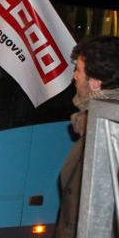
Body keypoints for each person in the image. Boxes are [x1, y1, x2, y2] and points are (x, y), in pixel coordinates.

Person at [55, 36, 119, 238]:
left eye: (78, 70)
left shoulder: (110, 136)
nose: (74, 76)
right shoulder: (93, 126)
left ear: (96, 83)